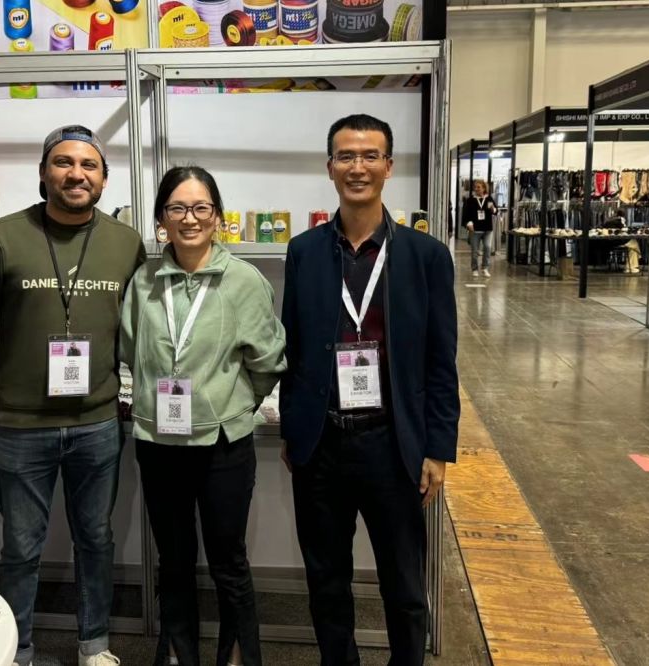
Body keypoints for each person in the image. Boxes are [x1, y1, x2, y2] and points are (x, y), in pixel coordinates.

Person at [0, 125, 145, 666]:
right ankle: (19, 649)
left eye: (89, 165)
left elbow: (143, 328)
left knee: (96, 540)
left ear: (103, 179)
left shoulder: (126, 243)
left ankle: (94, 644)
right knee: (21, 548)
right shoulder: (0, 237)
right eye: (63, 162)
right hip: (21, 426)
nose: (76, 174)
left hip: (99, 423)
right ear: (42, 173)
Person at [279, 114, 460, 665]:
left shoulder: (426, 256)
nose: (357, 167)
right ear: (330, 166)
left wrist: (437, 448)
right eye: (346, 156)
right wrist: (293, 429)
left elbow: (441, 360)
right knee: (326, 581)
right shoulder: (304, 251)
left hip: (393, 445)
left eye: (369, 155)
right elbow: (295, 347)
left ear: (388, 166)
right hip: (322, 445)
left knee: (404, 587)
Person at [120, 166, 286, 666]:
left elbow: (267, 362)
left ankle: (237, 657)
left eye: (200, 208)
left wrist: (229, 406)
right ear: (161, 220)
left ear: (217, 217)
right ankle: (177, 654)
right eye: (177, 208)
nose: (189, 219)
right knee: (173, 561)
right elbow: (130, 350)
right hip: (158, 444)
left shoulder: (244, 282)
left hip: (223, 447)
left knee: (228, 560)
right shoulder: (143, 282)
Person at [462, 179, 498, 277]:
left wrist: (493, 209)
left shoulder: (489, 198)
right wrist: (468, 223)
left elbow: (495, 211)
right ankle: (474, 269)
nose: (476, 189)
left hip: (487, 228)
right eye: (475, 187)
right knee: (475, 250)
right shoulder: (470, 200)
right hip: (475, 229)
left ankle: (485, 268)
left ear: (484, 188)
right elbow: (466, 214)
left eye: (478, 187)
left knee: (487, 247)